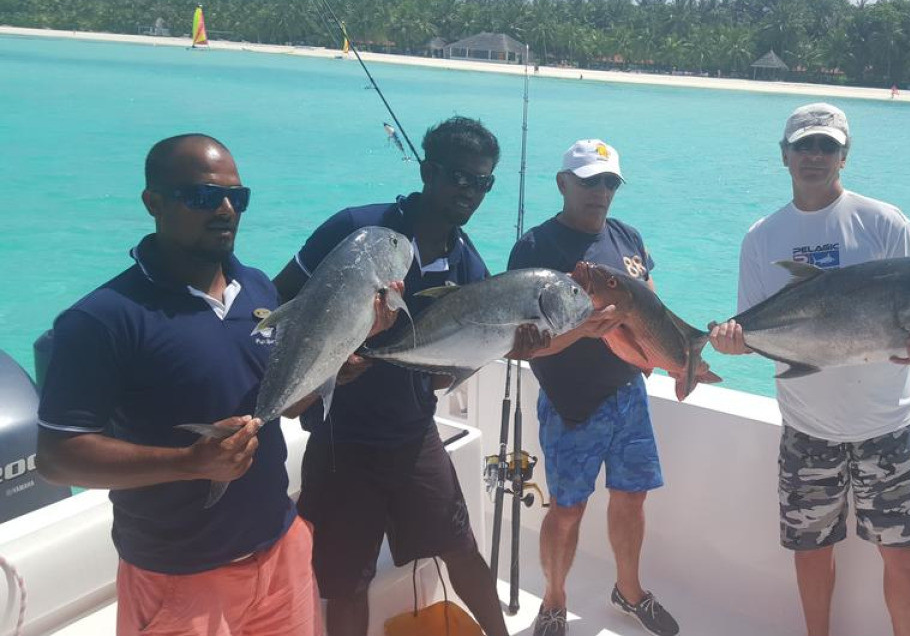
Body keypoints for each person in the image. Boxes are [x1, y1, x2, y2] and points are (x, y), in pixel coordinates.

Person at [37, 134, 322, 636]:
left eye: (239, 197)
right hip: (180, 577)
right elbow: (59, 457)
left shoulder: (258, 287)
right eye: (204, 197)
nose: (227, 209)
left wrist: (347, 344)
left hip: (280, 550)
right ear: (154, 203)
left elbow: (290, 402)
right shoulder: (100, 320)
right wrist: (190, 463)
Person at [272, 117, 543, 636]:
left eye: (482, 182)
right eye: (458, 177)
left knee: (461, 551)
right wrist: (325, 362)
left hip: (414, 434)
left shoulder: (468, 267)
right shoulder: (357, 230)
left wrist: (510, 344)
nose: (470, 191)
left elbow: (442, 377)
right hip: (341, 436)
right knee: (347, 582)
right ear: (427, 171)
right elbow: (280, 297)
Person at [709, 103, 910, 636]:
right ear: (784, 156)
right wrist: (732, 343)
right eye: (804, 145)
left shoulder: (887, 224)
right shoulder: (761, 237)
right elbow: (757, 334)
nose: (815, 156)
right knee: (811, 553)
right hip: (807, 428)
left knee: (906, 557)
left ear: (845, 156)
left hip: (888, 425)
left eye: (827, 146)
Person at [508, 140, 679, 636]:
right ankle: (554, 602)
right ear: (563, 183)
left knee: (632, 497)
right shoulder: (535, 247)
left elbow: (653, 311)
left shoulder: (629, 238)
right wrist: (581, 330)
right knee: (567, 509)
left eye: (609, 182)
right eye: (588, 181)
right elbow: (521, 344)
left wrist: (667, 356)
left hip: (628, 395)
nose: (600, 191)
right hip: (570, 405)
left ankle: (628, 590)